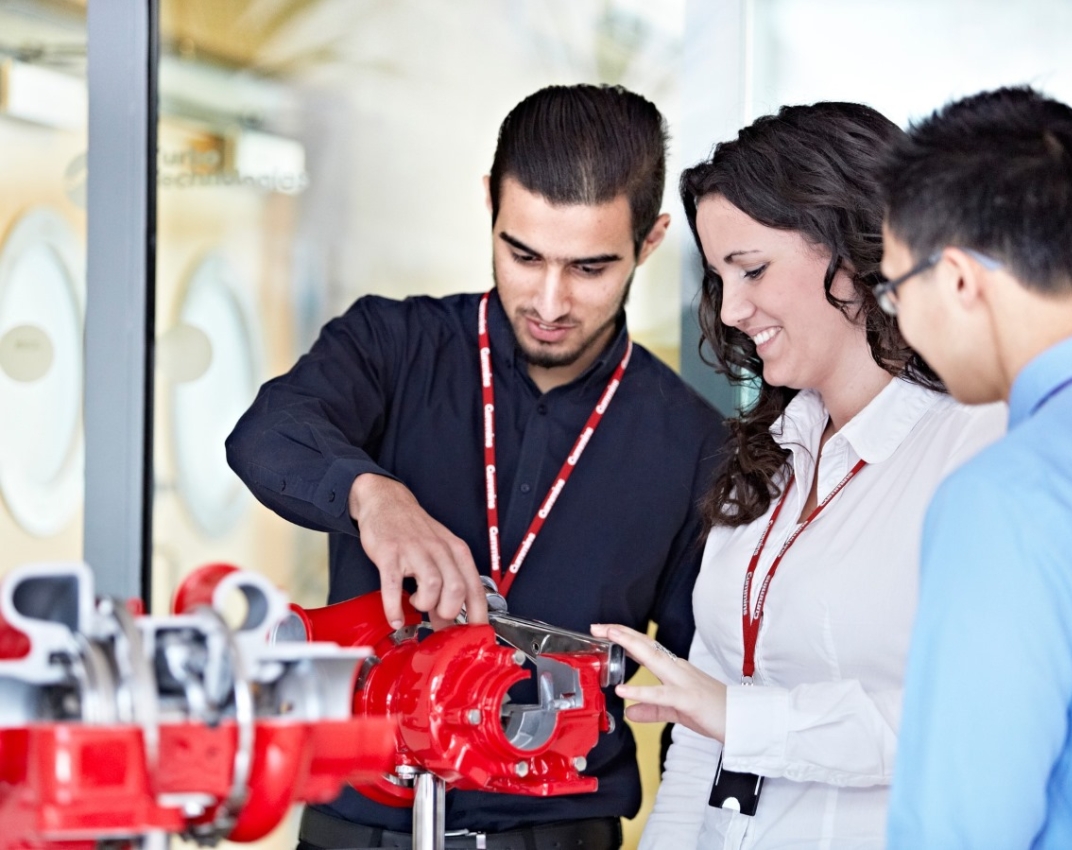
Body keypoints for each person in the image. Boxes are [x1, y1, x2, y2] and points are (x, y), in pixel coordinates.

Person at [226, 83, 726, 850]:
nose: (550, 300)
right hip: (353, 829)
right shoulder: (389, 345)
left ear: (650, 241)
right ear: (490, 202)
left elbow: (702, 705)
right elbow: (264, 434)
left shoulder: (691, 443)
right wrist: (372, 495)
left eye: (590, 268)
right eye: (522, 254)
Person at [590, 102, 1005, 849]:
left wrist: (744, 718)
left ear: (854, 245)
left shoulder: (976, 444)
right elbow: (699, 733)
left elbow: (969, 722)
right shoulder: (768, 457)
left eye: (751, 269)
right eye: (718, 278)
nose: (733, 308)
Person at [877, 86, 1072, 849]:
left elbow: (961, 828)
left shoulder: (1004, 499)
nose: (901, 320)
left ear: (958, 277)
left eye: (894, 290)